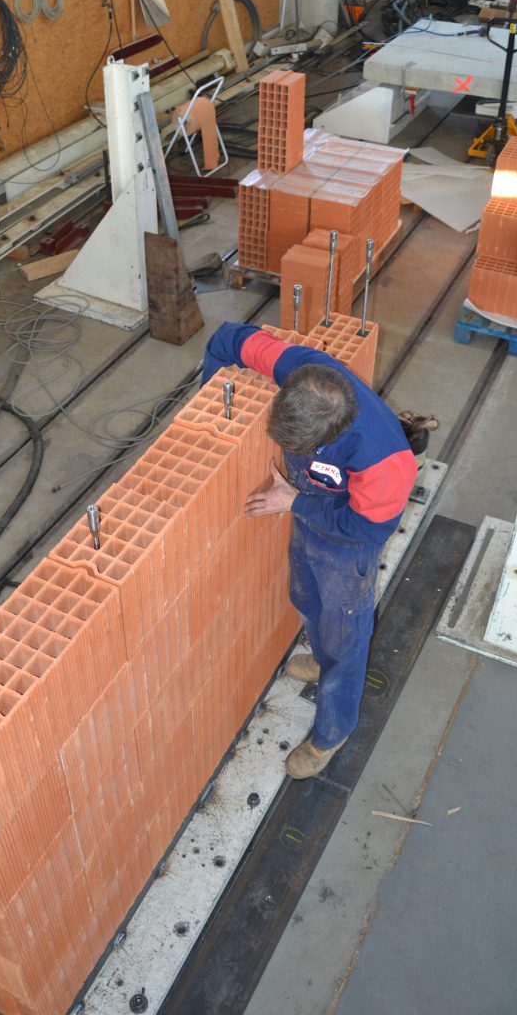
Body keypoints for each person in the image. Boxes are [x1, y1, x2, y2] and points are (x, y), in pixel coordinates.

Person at [203, 322, 418, 779]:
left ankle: (331, 733)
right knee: (305, 600)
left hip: (347, 539)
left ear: (330, 439)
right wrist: (204, 411)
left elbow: (366, 529)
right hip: (306, 512)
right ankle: (323, 665)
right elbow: (227, 339)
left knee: (345, 637)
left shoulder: (384, 458)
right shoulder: (302, 368)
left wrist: (297, 501)